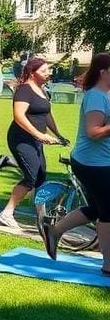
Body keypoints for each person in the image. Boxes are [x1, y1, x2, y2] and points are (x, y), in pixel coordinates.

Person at [41, 54, 110, 273]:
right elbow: (93, 132)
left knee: (97, 208)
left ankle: (53, 231)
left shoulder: (106, 95)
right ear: (104, 72)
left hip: (100, 162)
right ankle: (108, 264)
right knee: (107, 212)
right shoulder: (96, 97)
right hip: (92, 163)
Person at [0, 58, 65, 228]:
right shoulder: (24, 90)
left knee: (41, 175)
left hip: (35, 140)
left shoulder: (42, 90)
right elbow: (19, 116)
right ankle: (7, 213)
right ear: (33, 73)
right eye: (44, 71)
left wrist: (57, 134)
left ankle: (41, 216)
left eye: (48, 70)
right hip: (21, 138)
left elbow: (46, 114)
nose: (48, 73)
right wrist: (39, 135)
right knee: (31, 176)